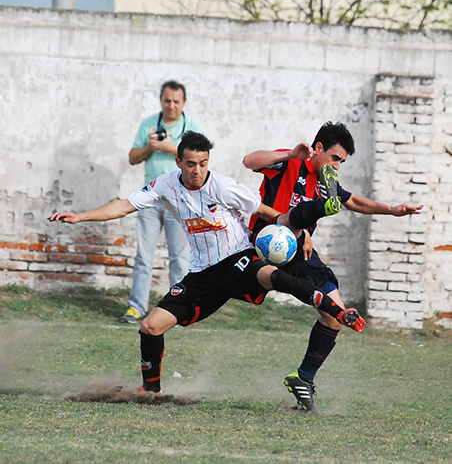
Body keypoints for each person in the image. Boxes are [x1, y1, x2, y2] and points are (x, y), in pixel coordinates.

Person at [48, 131, 366, 398]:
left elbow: (273, 214)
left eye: (202, 163)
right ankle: (151, 392)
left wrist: (304, 221)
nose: (197, 170)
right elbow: (123, 206)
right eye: (190, 164)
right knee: (150, 327)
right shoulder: (165, 185)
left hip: (239, 258)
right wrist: (81, 216)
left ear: (207, 162)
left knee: (271, 275)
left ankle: (339, 310)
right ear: (179, 163)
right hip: (202, 274)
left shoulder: (223, 187)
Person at [243, 121, 423, 412]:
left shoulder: (327, 183)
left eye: (342, 161)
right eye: (335, 158)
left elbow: (355, 202)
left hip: (298, 250)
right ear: (318, 149)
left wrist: (392, 210)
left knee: (334, 315)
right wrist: (290, 154)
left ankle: (303, 378)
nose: (337, 166)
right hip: (265, 241)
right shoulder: (289, 164)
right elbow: (249, 161)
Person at [121, 80, 204, 323]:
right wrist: (150, 146)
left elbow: (200, 158)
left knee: (180, 258)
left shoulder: (193, 127)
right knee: (144, 256)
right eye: (167, 100)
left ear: (184, 103)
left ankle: (178, 310)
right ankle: (136, 307)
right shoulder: (149, 123)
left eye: (176, 101)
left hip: (180, 199)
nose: (171, 106)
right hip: (150, 198)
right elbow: (133, 158)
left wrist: (170, 148)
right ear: (161, 100)